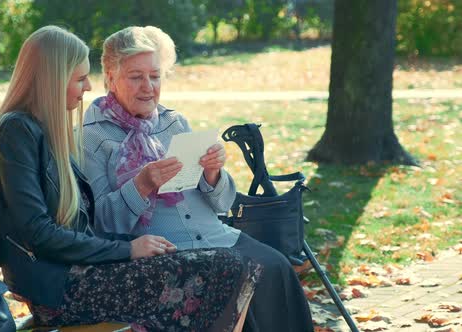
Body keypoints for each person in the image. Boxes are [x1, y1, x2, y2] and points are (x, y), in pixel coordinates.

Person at [0, 25, 261, 331]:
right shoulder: (16, 132)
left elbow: (78, 227)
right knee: (224, 267)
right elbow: (37, 233)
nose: (87, 87)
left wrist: (131, 243)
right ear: (53, 81)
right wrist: (128, 249)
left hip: (79, 271)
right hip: (58, 288)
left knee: (231, 265)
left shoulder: (43, 130)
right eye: (80, 78)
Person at [82, 26, 314, 332]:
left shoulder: (174, 122)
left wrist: (213, 173)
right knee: (238, 282)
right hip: (168, 251)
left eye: (155, 76)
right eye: (136, 76)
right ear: (110, 78)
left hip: (218, 236)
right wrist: (141, 185)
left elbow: (223, 203)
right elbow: (100, 224)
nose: (148, 86)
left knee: (276, 267)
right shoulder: (92, 136)